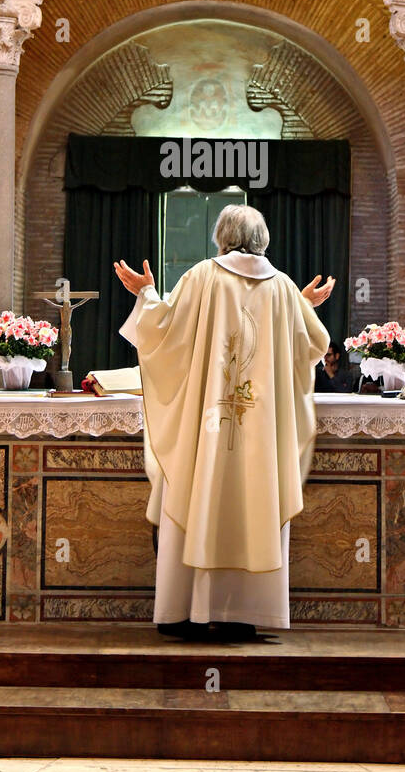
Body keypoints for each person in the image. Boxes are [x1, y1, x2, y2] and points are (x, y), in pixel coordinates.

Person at [114, 204, 333, 641]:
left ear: (221, 236)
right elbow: (315, 344)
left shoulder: (202, 277)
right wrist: (299, 305)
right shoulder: (284, 287)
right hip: (261, 436)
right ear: (262, 238)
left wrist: (147, 295)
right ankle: (242, 613)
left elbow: (163, 331)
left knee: (198, 494)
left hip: (207, 432)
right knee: (254, 501)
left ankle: (184, 611)